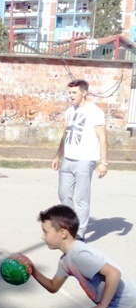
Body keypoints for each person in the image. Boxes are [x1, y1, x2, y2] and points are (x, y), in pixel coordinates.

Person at [51, 79, 108, 242]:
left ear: (84, 93)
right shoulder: (70, 111)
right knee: (64, 195)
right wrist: (58, 156)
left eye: (74, 92)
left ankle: (80, 232)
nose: (71, 95)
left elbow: (102, 137)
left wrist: (103, 162)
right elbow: (65, 135)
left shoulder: (95, 111)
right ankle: (71, 224)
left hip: (85, 160)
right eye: (69, 92)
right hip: (67, 159)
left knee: (82, 198)